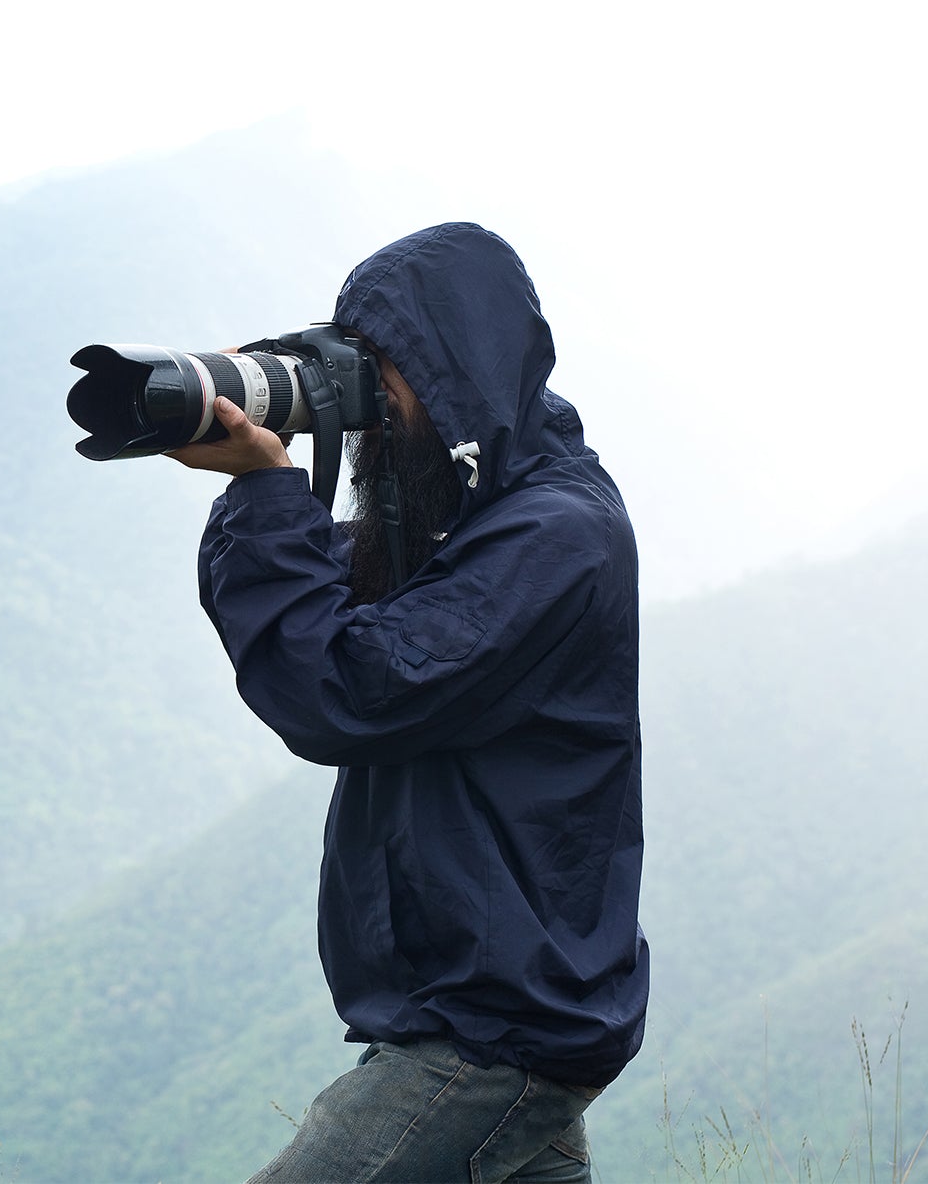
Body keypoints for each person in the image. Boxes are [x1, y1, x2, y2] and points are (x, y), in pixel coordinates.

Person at [169, 222, 649, 1183]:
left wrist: (268, 493)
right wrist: (261, 461)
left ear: (455, 374)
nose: (372, 401)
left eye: (384, 370)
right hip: (488, 1013)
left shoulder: (554, 537)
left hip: (490, 1033)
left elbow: (340, 690)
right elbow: (312, 606)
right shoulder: (462, 516)